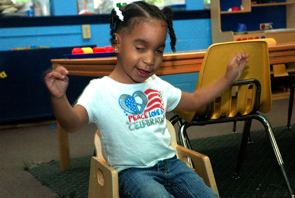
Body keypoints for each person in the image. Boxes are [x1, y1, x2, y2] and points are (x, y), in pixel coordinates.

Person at [45, 1, 249, 197]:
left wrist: (228, 78)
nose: (150, 60)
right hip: (132, 173)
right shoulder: (100, 90)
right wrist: (59, 98)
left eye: (158, 50)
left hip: (172, 164)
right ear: (117, 42)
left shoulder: (156, 84)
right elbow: (71, 124)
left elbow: (195, 100)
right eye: (141, 48)